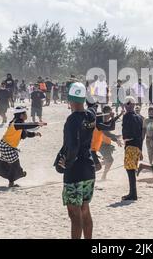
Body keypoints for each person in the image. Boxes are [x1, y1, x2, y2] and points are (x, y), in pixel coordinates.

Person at [55, 82, 96, 239]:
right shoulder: (91, 116)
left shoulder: (71, 120)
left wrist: (67, 164)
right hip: (89, 168)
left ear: (70, 100)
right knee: (85, 209)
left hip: (75, 171)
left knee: (74, 214)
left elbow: (72, 146)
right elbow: (93, 107)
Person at [0, 107, 46, 187]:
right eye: (25, 114)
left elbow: (25, 133)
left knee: (4, 162)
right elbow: (26, 126)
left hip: (7, 145)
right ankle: (11, 183)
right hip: (6, 146)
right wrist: (37, 123)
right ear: (21, 115)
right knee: (15, 165)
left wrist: (35, 134)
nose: (26, 115)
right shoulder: (16, 123)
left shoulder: (18, 123)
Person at [121, 96, 144, 201]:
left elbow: (126, 134)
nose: (125, 106)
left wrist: (124, 139)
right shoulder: (140, 117)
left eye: (126, 104)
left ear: (129, 104)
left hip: (130, 145)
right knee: (132, 169)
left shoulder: (127, 116)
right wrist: (141, 150)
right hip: (137, 146)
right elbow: (141, 134)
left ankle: (133, 194)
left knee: (129, 170)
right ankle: (132, 193)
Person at [90, 105, 123, 174]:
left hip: (104, 144)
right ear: (106, 113)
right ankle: (92, 172)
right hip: (101, 145)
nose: (110, 115)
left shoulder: (104, 120)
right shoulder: (100, 122)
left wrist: (120, 115)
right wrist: (115, 138)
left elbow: (111, 122)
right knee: (109, 160)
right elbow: (107, 132)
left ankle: (94, 169)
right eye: (109, 113)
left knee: (107, 160)